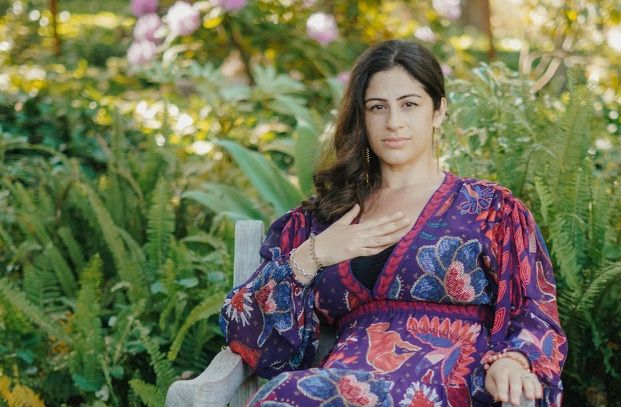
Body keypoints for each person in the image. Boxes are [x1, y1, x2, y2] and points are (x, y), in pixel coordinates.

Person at [219, 39, 567, 407]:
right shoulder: (321, 220)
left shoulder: (491, 210)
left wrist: (514, 360)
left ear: (438, 111)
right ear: (362, 117)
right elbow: (248, 336)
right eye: (378, 107)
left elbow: (536, 315)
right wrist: (315, 254)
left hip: (448, 390)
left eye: (409, 104)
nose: (394, 122)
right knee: (286, 396)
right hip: (339, 390)